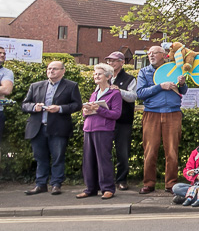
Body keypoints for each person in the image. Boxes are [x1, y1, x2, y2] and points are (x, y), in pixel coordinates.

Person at [22, 60, 82, 195]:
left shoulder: (71, 86)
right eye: (49, 69)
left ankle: (56, 184)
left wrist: (60, 108)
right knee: (40, 157)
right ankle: (40, 184)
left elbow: (77, 105)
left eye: (55, 69)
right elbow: (24, 104)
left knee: (58, 157)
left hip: (58, 127)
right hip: (38, 127)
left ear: (63, 71)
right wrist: (34, 107)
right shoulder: (36, 86)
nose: (51, 71)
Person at [136, 45, 189, 194]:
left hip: (173, 113)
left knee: (171, 151)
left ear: (164, 55)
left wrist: (183, 83)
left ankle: (171, 184)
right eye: (149, 53)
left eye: (154, 53)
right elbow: (140, 93)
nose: (151, 55)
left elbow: (183, 91)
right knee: (150, 150)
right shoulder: (144, 72)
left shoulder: (174, 69)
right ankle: (149, 183)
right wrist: (160, 86)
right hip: (151, 113)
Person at [77, 63, 123, 199]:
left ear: (108, 76)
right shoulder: (94, 93)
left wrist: (99, 109)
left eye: (99, 74)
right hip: (89, 128)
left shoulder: (115, 94)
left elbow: (116, 114)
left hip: (104, 129)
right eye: (95, 74)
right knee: (88, 160)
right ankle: (90, 188)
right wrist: (86, 111)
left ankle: (107, 188)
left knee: (103, 159)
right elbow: (88, 113)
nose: (96, 76)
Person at [106, 51, 138, 191]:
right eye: (109, 61)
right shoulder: (105, 77)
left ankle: (122, 180)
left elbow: (133, 97)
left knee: (122, 152)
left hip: (123, 120)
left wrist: (119, 91)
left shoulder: (129, 79)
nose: (111, 63)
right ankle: (106, 179)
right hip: (106, 120)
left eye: (113, 61)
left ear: (122, 62)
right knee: (104, 151)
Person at [0, 47, 15, 142]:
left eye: (4, 53)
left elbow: (6, 89)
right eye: (0, 53)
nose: (2, 55)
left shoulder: (7, 72)